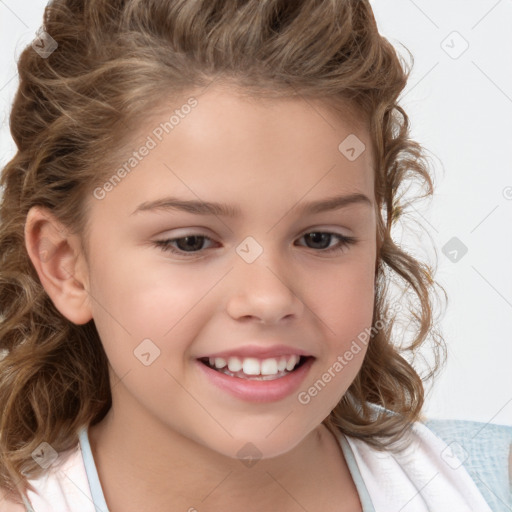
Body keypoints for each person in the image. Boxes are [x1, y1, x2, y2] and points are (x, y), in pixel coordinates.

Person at [0, 0, 510, 511]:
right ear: (66, 264)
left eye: (320, 239)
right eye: (190, 242)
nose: (268, 298)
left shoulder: (489, 484)